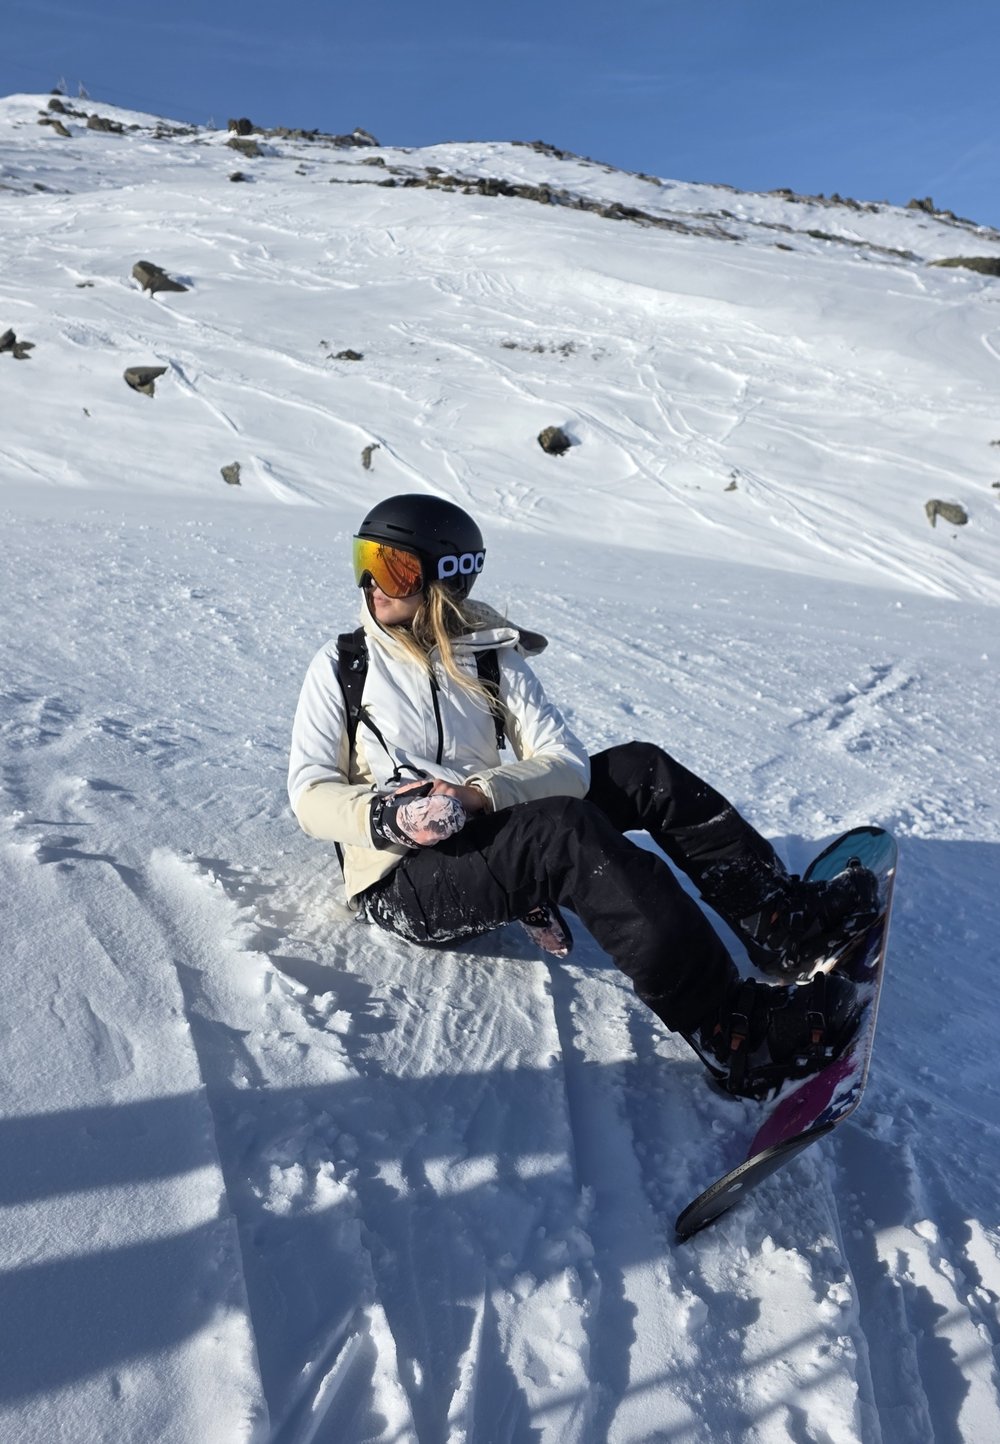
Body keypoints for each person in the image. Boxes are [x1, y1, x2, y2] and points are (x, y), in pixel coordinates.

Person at [288, 494, 879, 1099]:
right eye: (364, 560)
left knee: (640, 769)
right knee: (563, 833)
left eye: (393, 567)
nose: (371, 583)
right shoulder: (343, 665)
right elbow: (309, 793)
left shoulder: (488, 656)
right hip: (403, 882)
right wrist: (390, 816)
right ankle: (735, 1034)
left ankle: (778, 921)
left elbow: (566, 763)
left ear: (446, 578)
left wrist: (482, 796)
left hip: (477, 831)